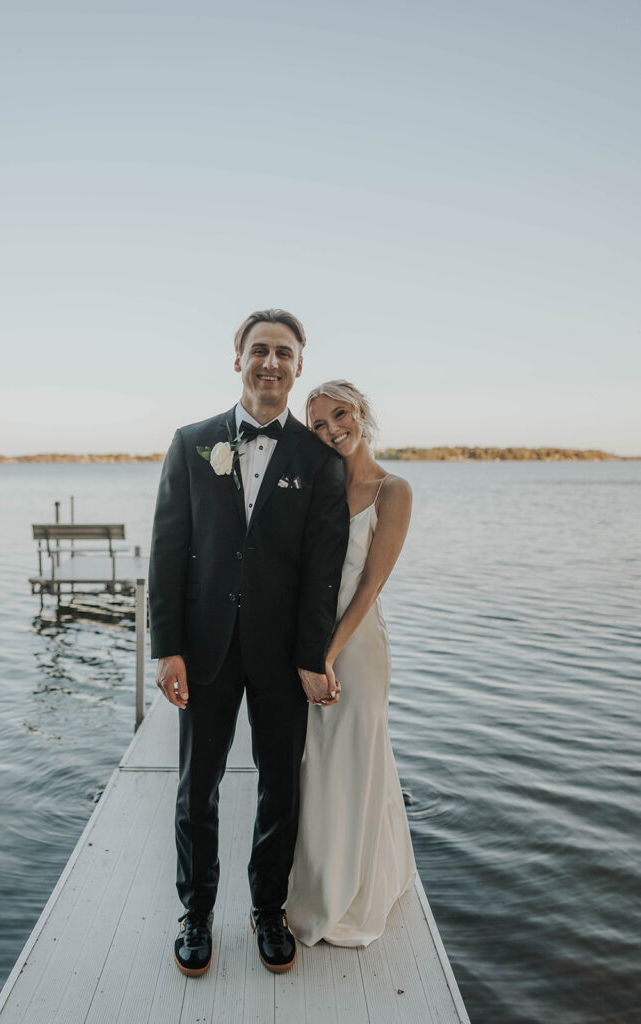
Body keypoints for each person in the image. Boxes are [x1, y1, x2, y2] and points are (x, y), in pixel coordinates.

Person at [148, 311, 350, 977]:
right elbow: (170, 552)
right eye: (259, 350)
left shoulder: (321, 462)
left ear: (298, 366)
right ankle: (195, 914)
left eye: (284, 353)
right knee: (194, 787)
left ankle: (268, 911)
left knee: (279, 789)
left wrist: (310, 656)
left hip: (280, 654)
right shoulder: (191, 442)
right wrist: (166, 645)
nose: (271, 362)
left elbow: (322, 572)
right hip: (203, 646)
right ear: (237, 358)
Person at [286, 380, 417, 947]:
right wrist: (301, 652)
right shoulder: (317, 486)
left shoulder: (393, 489)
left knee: (355, 758)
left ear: (362, 414)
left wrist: (326, 657)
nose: (332, 428)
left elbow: (370, 585)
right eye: (318, 423)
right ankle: (313, 882)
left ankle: (354, 893)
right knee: (316, 764)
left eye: (340, 414)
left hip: (356, 647)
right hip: (309, 644)